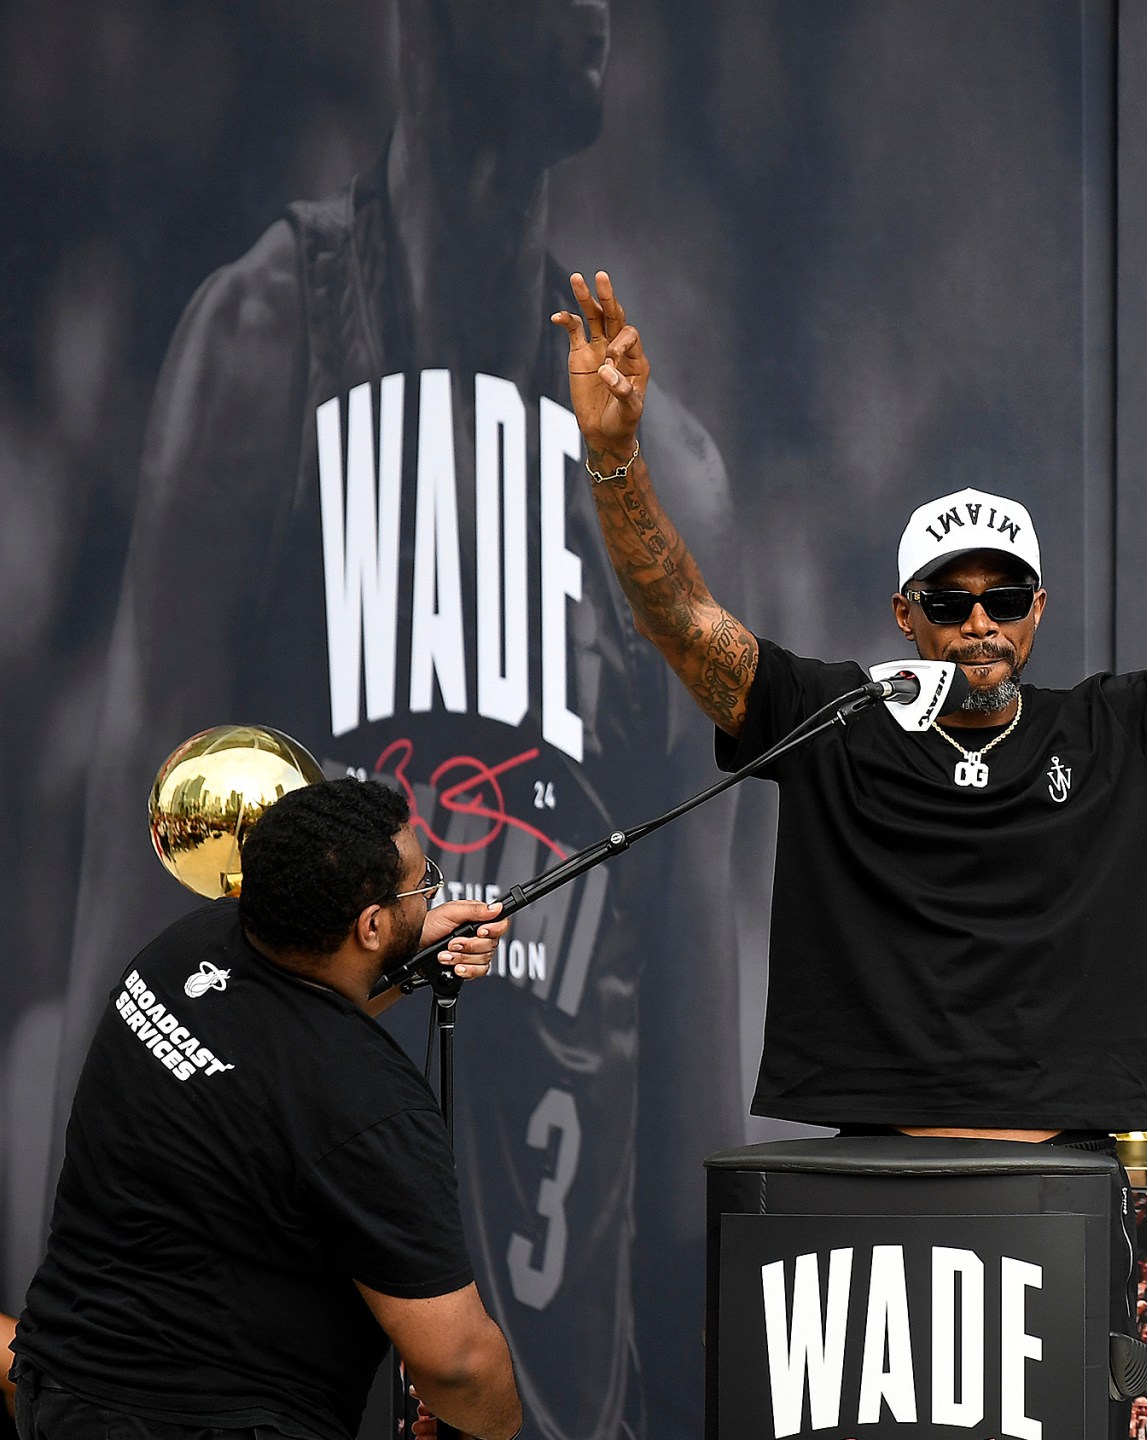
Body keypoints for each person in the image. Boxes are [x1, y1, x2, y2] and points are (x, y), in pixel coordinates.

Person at [547, 268, 1147, 1392]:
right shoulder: (839, 717)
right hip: (860, 1191)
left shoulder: (1118, 727)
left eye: (1003, 596)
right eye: (947, 599)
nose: (977, 621)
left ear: (1038, 609)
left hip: (1065, 1184)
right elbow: (681, 618)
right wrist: (617, 459)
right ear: (903, 615)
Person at [56, 3, 738, 1434]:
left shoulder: (661, 476)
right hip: (282, 1377)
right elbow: (134, 930)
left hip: (553, 1379)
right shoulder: (266, 348)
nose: (602, 15)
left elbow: (685, 1065)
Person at [12, 778, 519, 1440]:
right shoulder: (369, 1105)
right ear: (368, 925)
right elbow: (456, 1366)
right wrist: (500, 1425)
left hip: (61, 1392)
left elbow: (284, 1025)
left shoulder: (184, 948)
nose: (431, 898)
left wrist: (413, 952)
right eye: (424, 888)